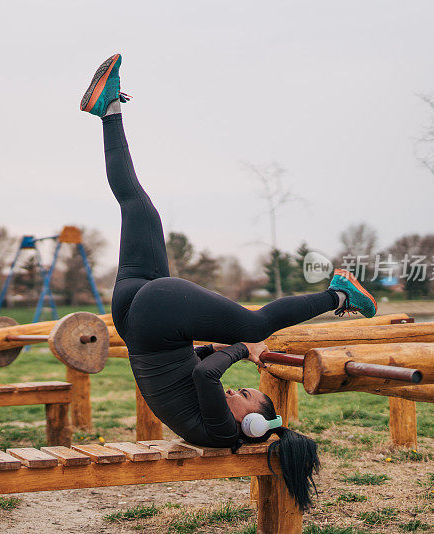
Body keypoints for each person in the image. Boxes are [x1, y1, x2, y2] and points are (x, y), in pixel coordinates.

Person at [80, 54, 377, 510]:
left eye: (245, 398)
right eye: (247, 391)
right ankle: (110, 112)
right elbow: (189, 369)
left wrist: (243, 349)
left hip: (155, 319)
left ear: (251, 427)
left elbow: (202, 373)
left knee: (255, 326)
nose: (239, 392)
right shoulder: (216, 424)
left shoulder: (222, 431)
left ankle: (340, 293)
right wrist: (213, 349)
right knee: (138, 206)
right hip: (135, 318)